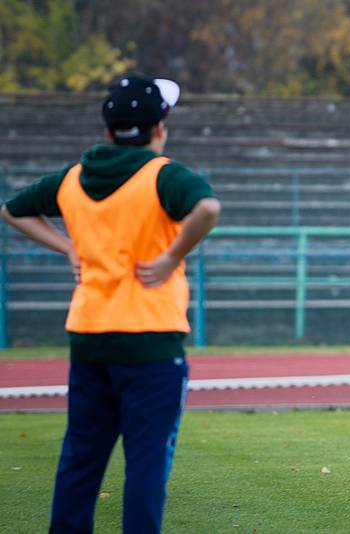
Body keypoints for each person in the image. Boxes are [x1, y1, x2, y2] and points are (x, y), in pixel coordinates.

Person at [1, 73, 220, 532]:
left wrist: (67, 247)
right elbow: (207, 209)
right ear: (159, 128)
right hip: (151, 342)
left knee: (80, 460)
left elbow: (13, 210)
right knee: (145, 464)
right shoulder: (163, 175)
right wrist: (171, 256)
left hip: (90, 337)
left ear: (107, 129)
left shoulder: (75, 178)